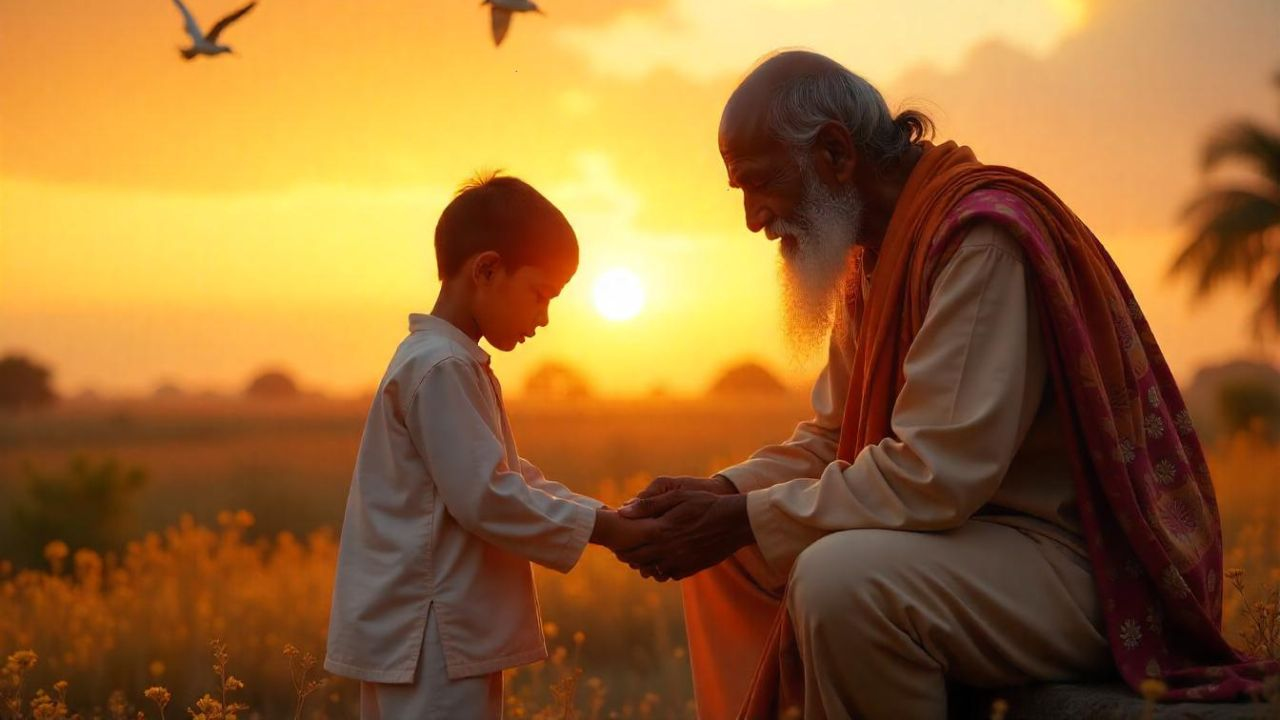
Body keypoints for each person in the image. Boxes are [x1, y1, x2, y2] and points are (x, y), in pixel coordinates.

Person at [618, 50, 1276, 719]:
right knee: (725, 557)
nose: (753, 219)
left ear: (836, 155)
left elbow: (936, 474)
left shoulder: (978, 239)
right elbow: (832, 439)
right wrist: (720, 495)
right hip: (959, 548)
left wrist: (742, 516)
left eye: (758, 186)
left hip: (1076, 569)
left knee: (842, 584)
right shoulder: (873, 257)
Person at [324, 172, 651, 719]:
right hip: (434, 636)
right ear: (487, 269)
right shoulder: (443, 366)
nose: (544, 317)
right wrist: (607, 529)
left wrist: (607, 516)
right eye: (540, 293)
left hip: (424, 632)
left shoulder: (437, 360)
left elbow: (508, 475)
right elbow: (486, 495)